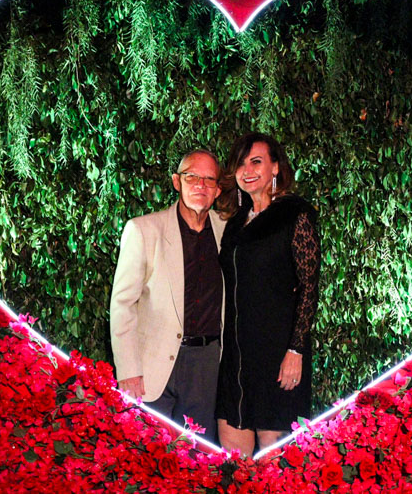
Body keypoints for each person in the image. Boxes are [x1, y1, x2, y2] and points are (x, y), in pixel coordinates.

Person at [215, 133, 320, 455]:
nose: (247, 170)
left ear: (275, 167)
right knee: (233, 455)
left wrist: (295, 350)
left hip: (278, 353)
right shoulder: (236, 221)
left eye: (256, 162)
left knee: (272, 453)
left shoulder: (295, 213)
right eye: (241, 164)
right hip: (236, 354)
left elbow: (309, 286)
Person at [110, 150, 225, 442]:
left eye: (209, 179)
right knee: (148, 455)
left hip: (206, 366)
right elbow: (123, 305)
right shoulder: (143, 230)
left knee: (198, 458)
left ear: (218, 189)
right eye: (192, 176)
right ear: (177, 181)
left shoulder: (228, 233)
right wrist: (128, 370)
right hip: (152, 367)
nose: (200, 185)